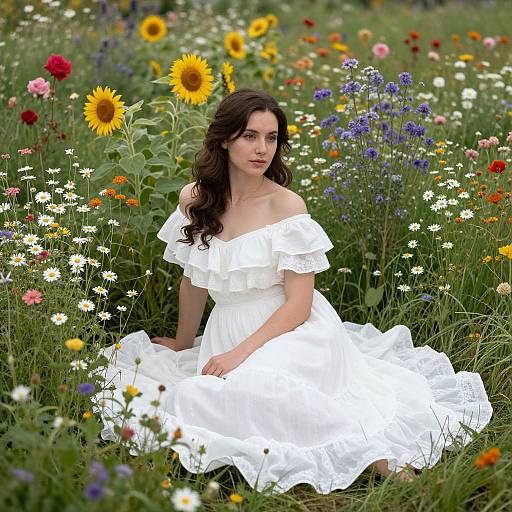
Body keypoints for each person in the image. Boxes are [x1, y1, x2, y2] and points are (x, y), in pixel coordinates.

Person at [93, 89, 493, 494]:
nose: (262, 149)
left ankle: (372, 453)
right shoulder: (195, 199)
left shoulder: (286, 207)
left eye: (272, 138)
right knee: (204, 395)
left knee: (268, 386)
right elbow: (194, 279)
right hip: (229, 324)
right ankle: (341, 440)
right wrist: (182, 343)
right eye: (250, 136)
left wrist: (239, 354)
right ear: (225, 139)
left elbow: (299, 304)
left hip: (293, 327)